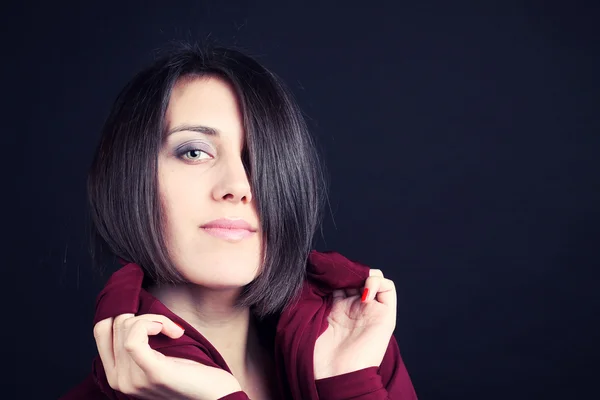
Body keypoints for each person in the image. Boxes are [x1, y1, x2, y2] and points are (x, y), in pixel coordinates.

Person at [60, 42, 418, 399]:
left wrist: (349, 385)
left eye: (260, 158)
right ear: (127, 175)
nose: (239, 186)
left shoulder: (355, 348)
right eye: (194, 152)